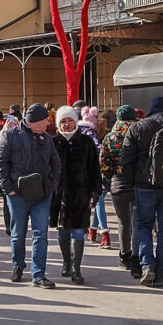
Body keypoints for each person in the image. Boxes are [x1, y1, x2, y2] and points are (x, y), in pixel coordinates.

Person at [0, 103, 62, 288]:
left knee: (41, 234)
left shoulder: (47, 139)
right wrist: (8, 189)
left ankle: (38, 274)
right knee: (18, 234)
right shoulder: (10, 135)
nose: (47, 122)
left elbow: (56, 164)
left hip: (42, 194)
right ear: (33, 122)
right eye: (44, 120)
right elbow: (0, 164)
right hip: (18, 195)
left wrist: (52, 186)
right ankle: (18, 266)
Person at [119, 96, 163, 288]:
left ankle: (147, 266)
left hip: (143, 185)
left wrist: (128, 185)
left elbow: (126, 160)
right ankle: (161, 271)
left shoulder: (137, 127)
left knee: (144, 226)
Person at [51, 106, 101, 285]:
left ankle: (76, 269)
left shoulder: (86, 142)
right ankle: (66, 262)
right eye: (63, 121)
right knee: (63, 231)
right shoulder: (54, 142)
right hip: (59, 195)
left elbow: (95, 169)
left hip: (80, 194)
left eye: (69, 120)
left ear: (75, 121)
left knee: (78, 232)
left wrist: (96, 191)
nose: (66, 124)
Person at [101, 105, 139, 276]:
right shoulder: (139, 134)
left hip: (117, 184)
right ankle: (137, 257)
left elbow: (104, 163)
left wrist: (111, 177)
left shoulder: (109, 137)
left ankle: (124, 254)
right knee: (137, 222)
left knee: (123, 222)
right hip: (137, 183)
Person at [78, 106, 109, 247]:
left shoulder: (79, 132)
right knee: (99, 199)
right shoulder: (92, 133)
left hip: (82, 172)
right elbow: (99, 151)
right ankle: (100, 231)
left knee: (98, 201)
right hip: (95, 171)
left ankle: (99, 232)